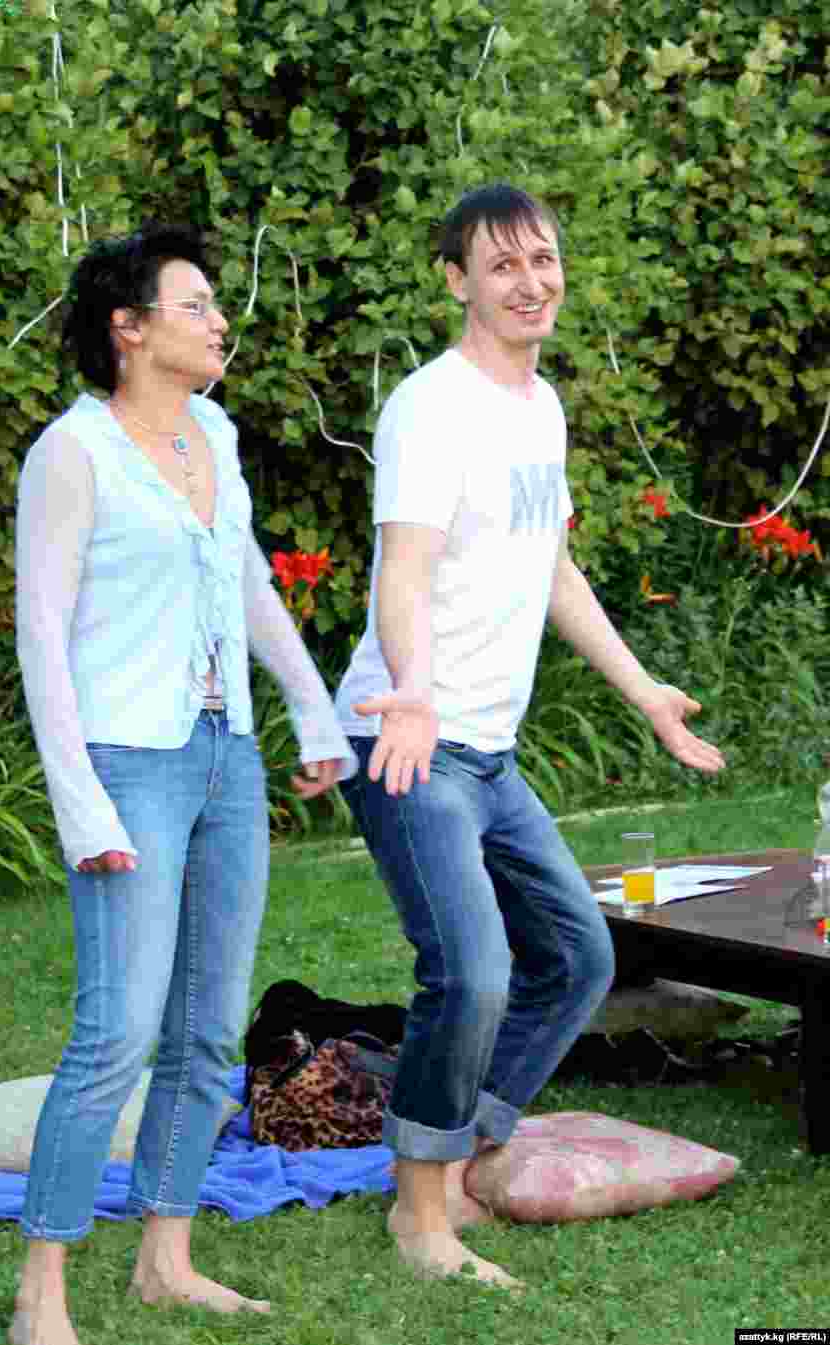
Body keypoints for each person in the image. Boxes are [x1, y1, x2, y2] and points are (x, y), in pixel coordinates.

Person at [334, 183, 724, 1289]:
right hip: (407, 739)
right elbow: (402, 570)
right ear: (456, 280)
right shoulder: (430, 407)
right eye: (501, 264)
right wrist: (414, 691)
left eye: (542, 259)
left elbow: (551, 568)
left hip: (485, 753)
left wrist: (645, 693)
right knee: (470, 971)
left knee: (579, 955)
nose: (529, 281)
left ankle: (456, 1152)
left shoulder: (539, 407)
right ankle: (422, 1214)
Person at [12, 221, 353, 1345]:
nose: (218, 320)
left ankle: (166, 1257)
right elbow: (41, 635)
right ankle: (41, 1293)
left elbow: (244, 576)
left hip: (223, 757)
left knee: (209, 1034)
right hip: (126, 765)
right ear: (129, 327)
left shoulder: (214, 432)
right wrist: (81, 803)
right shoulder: (74, 453)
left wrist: (309, 704)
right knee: (116, 1033)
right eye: (194, 303)